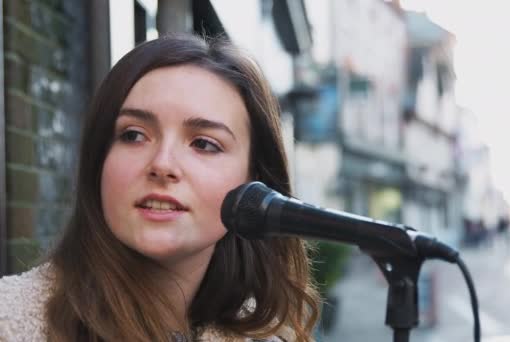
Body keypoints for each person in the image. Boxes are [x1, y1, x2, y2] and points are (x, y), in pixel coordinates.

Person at [0, 34, 320, 342]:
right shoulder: (10, 323)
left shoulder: (268, 333)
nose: (163, 164)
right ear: (98, 161)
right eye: (134, 135)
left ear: (253, 180)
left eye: (204, 143)